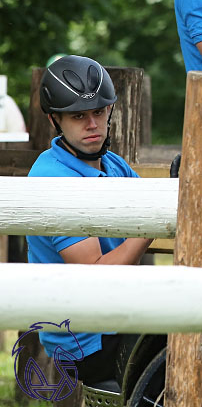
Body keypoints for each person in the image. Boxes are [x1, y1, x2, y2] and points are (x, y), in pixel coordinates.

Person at [26, 55, 152, 385]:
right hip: (87, 339)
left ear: (110, 111)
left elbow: (152, 202)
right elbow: (96, 276)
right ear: (55, 120)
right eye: (78, 116)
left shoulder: (111, 163)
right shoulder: (53, 178)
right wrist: (151, 228)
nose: (92, 124)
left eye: (98, 112)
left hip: (116, 318)